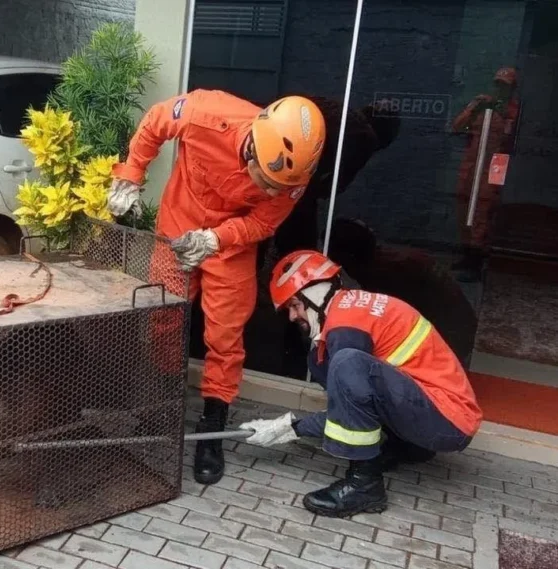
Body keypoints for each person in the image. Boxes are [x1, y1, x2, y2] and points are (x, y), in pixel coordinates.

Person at [108, 89, 327, 485]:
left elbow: (263, 222)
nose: (275, 192)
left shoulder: (296, 174)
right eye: (268, 181)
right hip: (178, 227)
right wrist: (130, 176)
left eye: (283, 186)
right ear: (252, 149)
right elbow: (155, 123)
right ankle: (163, 401)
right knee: (163, 318)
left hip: (231, 245)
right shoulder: (205, 113)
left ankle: (213, 423)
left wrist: (216, 240)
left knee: (225, 336)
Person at [241, 250, 482, 517]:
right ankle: (410, 447)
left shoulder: (346, 330)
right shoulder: (351, 311)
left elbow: (345, 412)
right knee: (320, 359)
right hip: (437, 413)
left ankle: (364, 486)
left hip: (447, 422)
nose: (292, 316)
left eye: (295, 305)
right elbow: (357, 403)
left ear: (317, 295)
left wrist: (290, 428)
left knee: (345, 363)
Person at [326, 217, 478, 365]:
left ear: (347, 257)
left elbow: (387, 324)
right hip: (453, 329)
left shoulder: (385, 275)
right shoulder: (382, 262)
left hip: (449, 343)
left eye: (335, 258)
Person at [451, 67, 520, 282]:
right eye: (498, 84)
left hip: (496, 162)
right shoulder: (482, 105)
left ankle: (477, 261)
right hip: (472, 161)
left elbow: (513, 138)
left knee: (484, 208)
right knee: (463, 204)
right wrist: (474, 107)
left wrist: (503, 113)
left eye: (505, 86)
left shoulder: (513, 110)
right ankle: (466, 253)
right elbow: (457, 126)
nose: (501, 89)